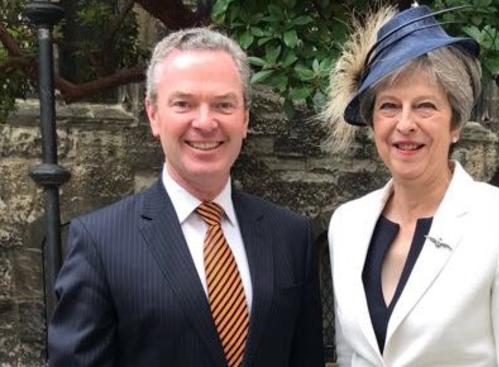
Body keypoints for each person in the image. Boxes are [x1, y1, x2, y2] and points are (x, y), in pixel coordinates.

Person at [48, 28, 324, 367]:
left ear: (245, 117)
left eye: (223, 104)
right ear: (153, 114)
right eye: (184, 104)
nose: (205, 122)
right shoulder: (100, 243)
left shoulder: (291, 236)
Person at [321, 5, 499, 366]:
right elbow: (351, 355)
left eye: (425, 106)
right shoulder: (346, 225)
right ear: (372, 123)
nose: (405, 123)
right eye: (389, 106)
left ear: (456, 123)